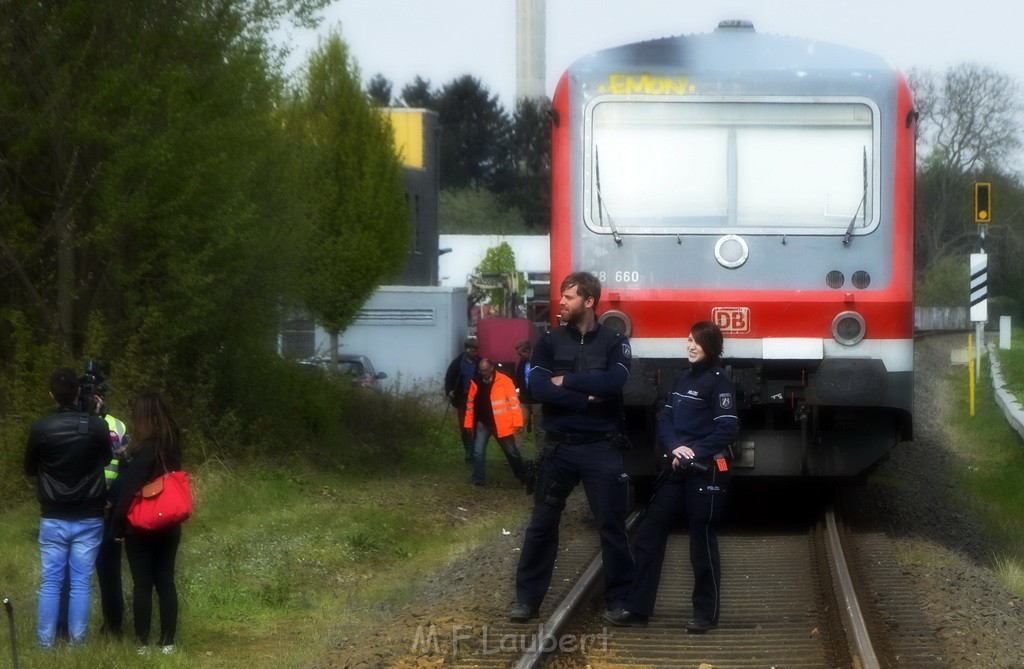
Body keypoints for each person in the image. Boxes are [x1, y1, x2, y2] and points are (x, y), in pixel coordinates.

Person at [510, 272, 633, 622]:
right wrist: (586, 397)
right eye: (560, 297)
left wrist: (570, 381)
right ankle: (526, 602)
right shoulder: (548, 342)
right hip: (559, 449)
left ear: (589, 301)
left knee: (611, 526)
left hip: (601, 448)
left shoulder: (614, 342)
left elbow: (616, 381)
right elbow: (539, 388)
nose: (560, 303)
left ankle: (620, 602)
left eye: (569, 297)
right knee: (541, 524)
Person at [604, 321, 739, 633]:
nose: (691, 346)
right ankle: (637, 609)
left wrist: (694, 452)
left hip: (707, 473)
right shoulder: (681, 377)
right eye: (689, 340)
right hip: (679, 469)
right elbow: (665, 417)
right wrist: (675, 447)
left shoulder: (719, 382)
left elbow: (728, 428)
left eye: (698, 342)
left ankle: (706, 613)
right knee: (649, 532)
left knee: (701, 541)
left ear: (712, 347)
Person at [24, 368, 111, 648]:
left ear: (52, 395)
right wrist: (94, 418)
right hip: (89, 515)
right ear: (78, 393)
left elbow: (29, 469)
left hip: (53, 515)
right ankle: (77, 644)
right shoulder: (96, 426)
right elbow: (107, 459)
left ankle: (45, 645)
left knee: (50, 582)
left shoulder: (40, 428)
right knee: (81, 583)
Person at [109, 391, 184, 654]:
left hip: (142, 524)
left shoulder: (144, 449)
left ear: (142, 417)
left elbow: (130, 488)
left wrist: (117, 526)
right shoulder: (172, 444)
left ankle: (143, 643)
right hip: (169, 521)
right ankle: (168, 642)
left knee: (142, 582)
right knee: (166, 580)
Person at [57, 393, 128, 639]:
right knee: (83, 572)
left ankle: (110, 627)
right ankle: (70, 628)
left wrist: (115, 502)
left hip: (95, 507)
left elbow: (125, 466)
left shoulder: (114, 425)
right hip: (90, 506)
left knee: (99, 573)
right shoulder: (112, 425)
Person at [464, 358, 528, 486]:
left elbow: (514, 404)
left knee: (511, 452)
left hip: (501, 424)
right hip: (483, 424)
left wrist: (517, 423)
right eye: (481, 371)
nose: (483, 373)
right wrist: (468, 424)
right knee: (478, 452)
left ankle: (524, 477)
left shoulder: (505, 381)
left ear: (492, 368)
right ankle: (478, 479)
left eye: (486, 370)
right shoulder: (475, 382)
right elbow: (470, 405)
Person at [444, 337, 480, 463]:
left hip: (477, 399)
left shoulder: (480, 363)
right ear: (466, 349)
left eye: (477, 350)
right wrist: (450, 391)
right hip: (463, 399)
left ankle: (475, 452)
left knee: (476, 426)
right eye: (473, 350)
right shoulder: (457, 363)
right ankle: (468, 452)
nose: (476, 353)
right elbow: (448, 379)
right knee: (464, 426)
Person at [512, 340, 535, 433]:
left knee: (540, 430)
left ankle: (542, 447)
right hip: (524, 400)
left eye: (520, 354)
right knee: (518, 427)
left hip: (537, 400)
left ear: (528, 352)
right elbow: (517, 380)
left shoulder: (539, 362)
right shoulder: (521, 363)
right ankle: (516, 447)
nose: (519, 356)